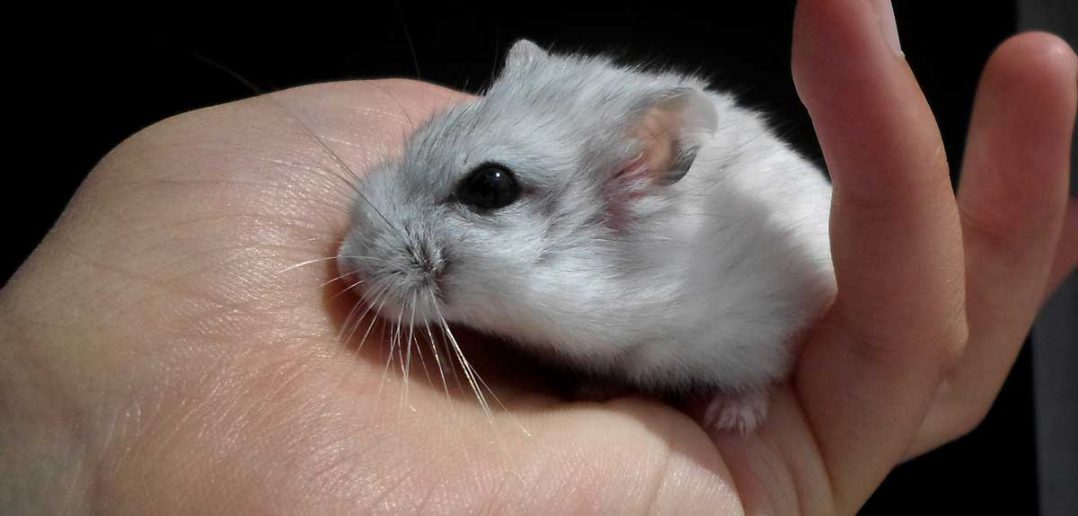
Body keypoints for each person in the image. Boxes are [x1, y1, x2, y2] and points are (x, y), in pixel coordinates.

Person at [3, 0, 1076, 513]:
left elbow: (806, 293)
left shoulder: (714, 256)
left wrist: (743, 385)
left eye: (489, 192)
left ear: (645, 172)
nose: (369, 240)